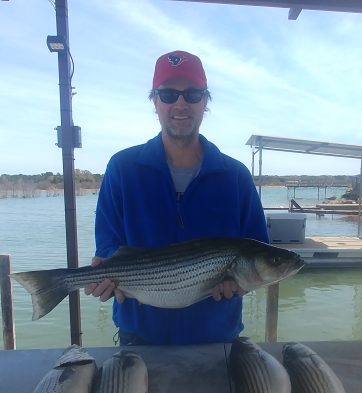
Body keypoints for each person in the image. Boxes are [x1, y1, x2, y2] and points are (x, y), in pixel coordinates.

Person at [84, 50, 269, 345]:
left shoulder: (235, 176)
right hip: (139, 338)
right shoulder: (122, 168)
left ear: (205, 102)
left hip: (218, 338)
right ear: (154, 101)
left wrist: (240, 286)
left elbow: (258, 251)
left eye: (193, 94)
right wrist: (106, 273)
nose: (180, 104)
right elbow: (108, 242)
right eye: (169, 94)